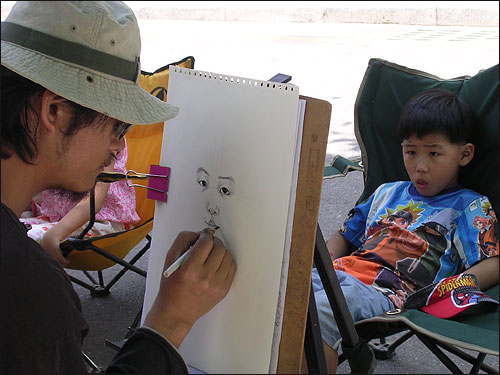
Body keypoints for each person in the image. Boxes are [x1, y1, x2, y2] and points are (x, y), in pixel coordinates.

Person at [1, 2, 236, 374]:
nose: (117, 146)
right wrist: (169, 321)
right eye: (118, 127)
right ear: (54, 112)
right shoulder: (26, 289)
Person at [311, 88, 499, 372]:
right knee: (282, 295)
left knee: (319, 317)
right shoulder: (386, 192)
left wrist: (446, 291)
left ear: (464, 154)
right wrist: (317, 266)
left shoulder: (469, 207)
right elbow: (345, 235)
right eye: (411, 152)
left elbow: (493, 263)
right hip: (338, 273)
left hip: (386, 292)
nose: (420, 166)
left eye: (434, 153)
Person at [19, 136, 139, 267]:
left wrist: (54, 234)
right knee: (9, 228)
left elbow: (96, 197)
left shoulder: (108, 135)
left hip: (99, 222)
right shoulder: (57, 129)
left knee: (18, 237)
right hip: (58, 217)